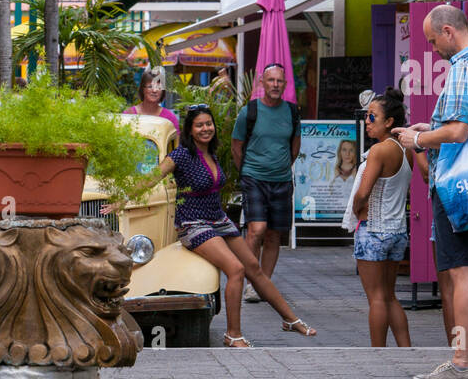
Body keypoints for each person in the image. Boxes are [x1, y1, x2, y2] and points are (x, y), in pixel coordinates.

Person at [103, 102, 315, 345]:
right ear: (190, 130)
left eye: (208, 124)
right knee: (235, 270)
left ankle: (290, 319)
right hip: (193, 223)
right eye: (199, 125)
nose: (206, 129)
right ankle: (232, 334)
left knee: (253, 268)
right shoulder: (181, 155)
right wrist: (122, 200)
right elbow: (152, 177)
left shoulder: (211, 153)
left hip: (218, 219)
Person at [395, 4, 468, 379]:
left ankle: (461, 362)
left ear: (448, 31)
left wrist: (419, 138)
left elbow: (458, 132)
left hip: (458, 184)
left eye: (432, 41)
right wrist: (436, 125)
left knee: (462, 271)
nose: (433, 50)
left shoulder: (462, 67)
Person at [230, 64, 300, 303]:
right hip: (254, 178)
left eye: (279, 81)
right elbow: (236, 146)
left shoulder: (291, 112)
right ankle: (251, 279)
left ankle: (261, 284)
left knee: (273, 235)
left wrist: (279, 166)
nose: (275, 85)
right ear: (262, 82)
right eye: (271, 80)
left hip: (281, 180)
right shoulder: (249, 112)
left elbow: (295, 146)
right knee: (256, 230)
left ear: (285, 84)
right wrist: (248, 172)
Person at [352, 88, 413, 347]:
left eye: (372, 117)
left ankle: (378, 352)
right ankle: (405, 348)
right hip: (398, 231)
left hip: (373, 229)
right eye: (367, 116)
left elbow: (362, 192)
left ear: (389, 122)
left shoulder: (378, 151)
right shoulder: (405, 148)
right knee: (390, 296)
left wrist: (356, 208)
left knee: (376, 297)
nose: (367, 122)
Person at [123, 66, 180, 134]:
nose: (154, 90)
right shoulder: (129, 114)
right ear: (143, 89)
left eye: (159, 87)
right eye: (150, 86)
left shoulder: (169, 117)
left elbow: (176, 142)